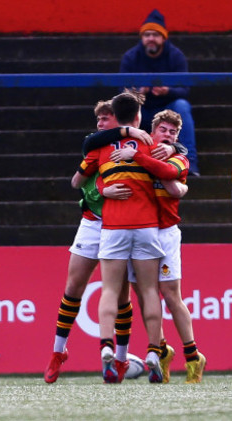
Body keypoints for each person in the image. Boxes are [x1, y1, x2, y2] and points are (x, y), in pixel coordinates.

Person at [44, 100, 152, 384]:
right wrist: (105, 190)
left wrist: (176, 150)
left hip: (125, 225)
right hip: (94, 223)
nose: (101, 124)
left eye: (106, 118)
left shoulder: (141, 145)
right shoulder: (96, 144)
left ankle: (120, 358)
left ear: (118, 118)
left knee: (122, 296)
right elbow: (79, 182)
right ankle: (58, 352)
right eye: (99, 119)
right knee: (73, 285)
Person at [75, 91, 167, 384]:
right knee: (149, 291)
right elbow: (171, 166)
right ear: (139, 116)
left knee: (111, 290)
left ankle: (106, 347)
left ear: (114, 115)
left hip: (113, 226)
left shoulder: (101, 145)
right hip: (146, 224)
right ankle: (153, 353)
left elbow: (77, 180)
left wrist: (101, 187)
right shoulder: (150, 143)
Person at [110, 109, 206, 384]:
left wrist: (142, 157)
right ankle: (161, 350)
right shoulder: (138, 148)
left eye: (173, 132)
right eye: (163, 130)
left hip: (164, 232)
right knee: (143, 294)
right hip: (137, 231)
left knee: (169, 292)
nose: (168, 135)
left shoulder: (178, 157)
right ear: (153, 131)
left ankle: (193, 355)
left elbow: (167, 173)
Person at [120, 8, 200, 176]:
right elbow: (121, 91)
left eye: (155, 35)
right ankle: (119, 162)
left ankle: (189, 162)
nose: (151, 39)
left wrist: (167, 91)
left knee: (182, 106)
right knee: (123, 109)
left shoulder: (176, 56)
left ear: (163, 38)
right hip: (141, 111)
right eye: (147, 35)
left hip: (167, 110)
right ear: (142, 38)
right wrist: (139, 92)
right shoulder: (130, 57)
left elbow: (185, 90)